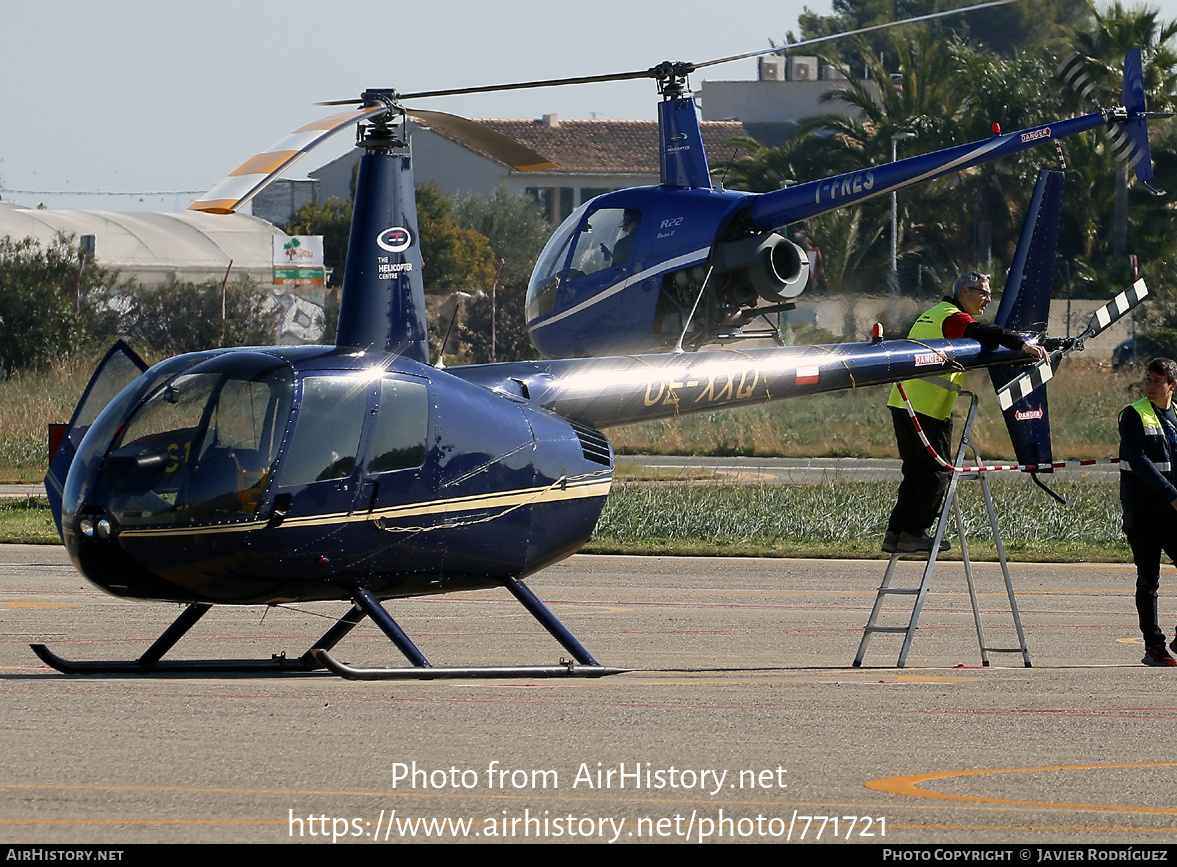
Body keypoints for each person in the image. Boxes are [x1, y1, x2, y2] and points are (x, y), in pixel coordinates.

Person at [883, 271, 1049, 554]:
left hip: (904, 401)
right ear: (965, 293)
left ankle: (896, 533)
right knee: (937, 472)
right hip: (926, 407)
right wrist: (1022, 345)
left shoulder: (933, 314)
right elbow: (983, 332)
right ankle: (913, 534)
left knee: (914, 472)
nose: (988, 299)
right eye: (983, 293)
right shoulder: (953, 317)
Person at [1118, 358, 1177, 666]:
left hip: (1172, 511)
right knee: (1149, 579)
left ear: (1172, 386)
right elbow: (1138, 460)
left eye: (1158, 380)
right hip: (1143, 511)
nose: (1151, 385)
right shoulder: (1133, 415)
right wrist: (1171, 494)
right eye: (1148, 379)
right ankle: (1154, 646)